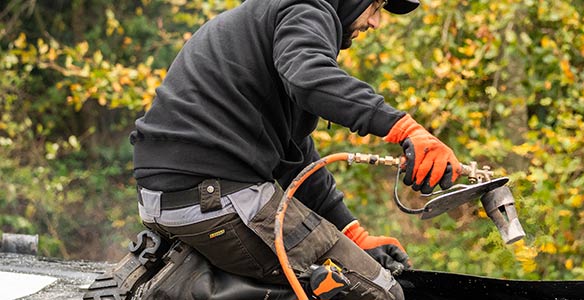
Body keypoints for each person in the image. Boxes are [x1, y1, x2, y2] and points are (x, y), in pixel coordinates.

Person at [128, 0, 461, 298]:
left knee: (333, 275)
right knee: (378, 291)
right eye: (375, 5)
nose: (375, 22)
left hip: (168, 200)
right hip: (217, 197)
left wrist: (353, 234)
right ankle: (193, 290)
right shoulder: (306, 7)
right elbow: (310, 79)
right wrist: (402, 127)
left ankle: (199, 282)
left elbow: (295, 159)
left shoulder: (268, 23)